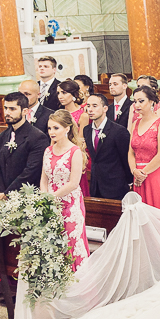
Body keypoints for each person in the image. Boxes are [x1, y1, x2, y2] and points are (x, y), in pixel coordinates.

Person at [42, 110, 89, 270]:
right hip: (50, 204)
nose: (51, 132)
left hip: (69, 204)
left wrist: (53, 196)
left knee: (71, 244)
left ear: (67, 129)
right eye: (49, 128)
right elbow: (44, 178)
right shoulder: (48, 150)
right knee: (53, 246)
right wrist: (45, 198)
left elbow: (73, 183)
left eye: (56, 128)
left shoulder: (74, 151)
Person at [128, 85, 160, 211]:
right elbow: (131, 152)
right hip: (138, 175)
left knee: (159, 210)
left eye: (141, 101)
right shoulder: (135, 124)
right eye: (135, 101)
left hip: (155, 173)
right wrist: (134, 171)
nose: (137, 105)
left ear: (151, 102)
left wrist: (143, 173)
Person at [0, 92, 48, 201]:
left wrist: (8, 192)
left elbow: (32, 170)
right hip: (4, 195)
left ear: (25, 111)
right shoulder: (3, 136)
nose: (7, 113)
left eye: (12, 109)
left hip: (27, 195)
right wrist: (1, 191)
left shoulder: (37, 137)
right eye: (6, 108)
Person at [82, 93, 132, 202]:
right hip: (96, 184)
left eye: (94, 106)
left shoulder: (118, 131)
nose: (90, 109)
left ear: (105, 108)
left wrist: (129, 182)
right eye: (88, 106)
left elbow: (125, 158)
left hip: (115, 185)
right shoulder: (86, 130)